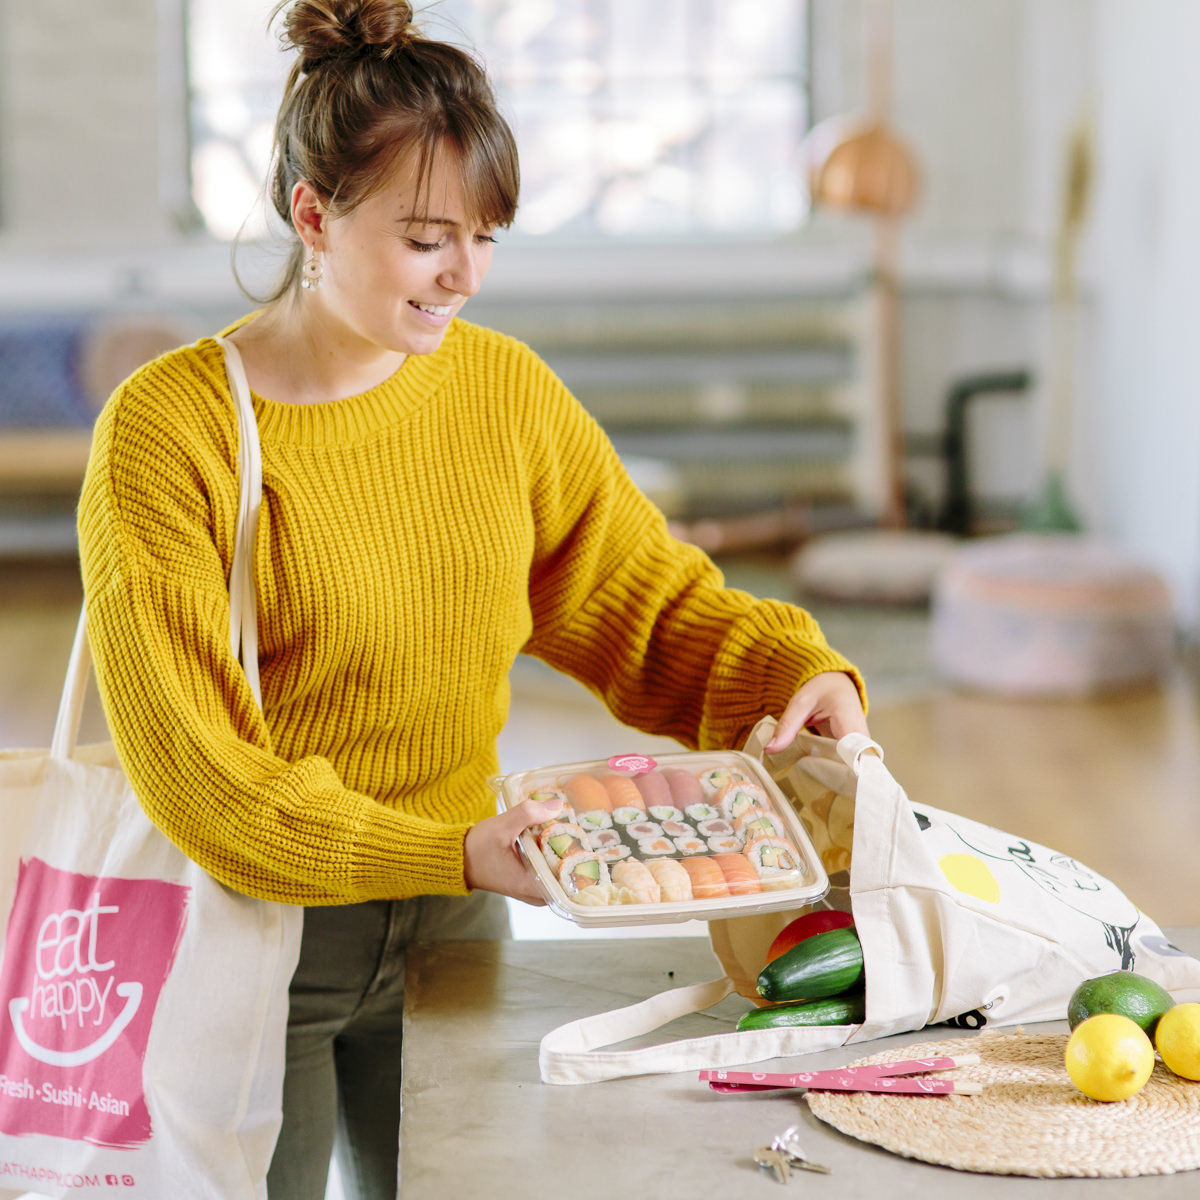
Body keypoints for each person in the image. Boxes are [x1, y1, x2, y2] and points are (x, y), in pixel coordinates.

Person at [77, 1, 869, 1197]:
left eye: (487, 237)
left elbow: (642, 600)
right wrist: (451, 847)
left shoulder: (501, 395)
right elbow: (201, 777)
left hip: (460, 921)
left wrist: (784, 674)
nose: (467, 276)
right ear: (312, 216)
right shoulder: (167, 432)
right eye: (430, 239)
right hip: (253, 932)